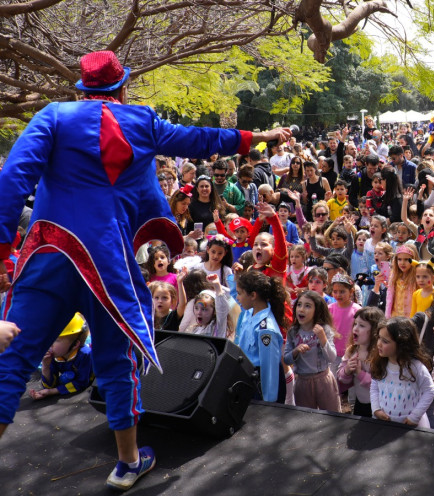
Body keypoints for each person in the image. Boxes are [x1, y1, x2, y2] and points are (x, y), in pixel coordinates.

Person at [0, 50, 290, 491]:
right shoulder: (142, 121)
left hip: (50, 253)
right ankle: (127, 462)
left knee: (13, 361)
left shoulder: (54, 115)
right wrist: (258, 136)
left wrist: (3, 251)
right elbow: (199, 139)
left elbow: (14, 176)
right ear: (122, 87)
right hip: (108, 264)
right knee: (118, 364)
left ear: (82, 87)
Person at [370, 317, 434, 427]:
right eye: (379, 338)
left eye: (385, 341)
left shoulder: (415, 367)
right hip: (385, 424)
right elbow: (375, 386)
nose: (379, 344)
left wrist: (414, 417)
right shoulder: (381, 364)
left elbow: (429, 390)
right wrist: (376, 409)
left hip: (411, 427)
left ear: (402, 344)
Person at [235, 271, 286, 403]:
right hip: (247, 376)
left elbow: (269, 368)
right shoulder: (249, 312)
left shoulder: (266, 330)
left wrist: (268, 404)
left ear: (253, 295)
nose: (237, 298)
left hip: (261, 384)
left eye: (240, 293)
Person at [28, 313, 94, 401]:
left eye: (55, 340)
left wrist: (52, 392)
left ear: (75, 344)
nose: (49, 343)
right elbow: (50, 385)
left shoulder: (85, 355)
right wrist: (46, 366)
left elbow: (82, 383)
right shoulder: (56, 355)